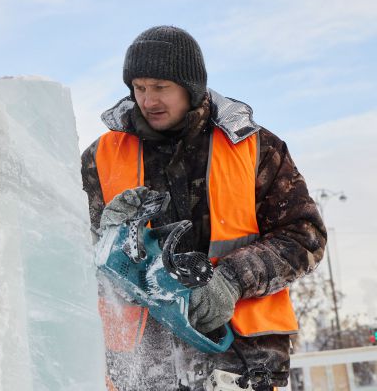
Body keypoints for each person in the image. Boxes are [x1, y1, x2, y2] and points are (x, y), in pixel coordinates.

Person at [80, 26, 327, 391]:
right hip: (142, 369)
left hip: (241, 362)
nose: (148, 101)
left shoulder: (254, 148)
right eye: (139, 88)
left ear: (191, 87)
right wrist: (109, 238)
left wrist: (231, 280)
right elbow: (71, 253)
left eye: (161, 87)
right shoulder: (99, 158)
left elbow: (305, 235)